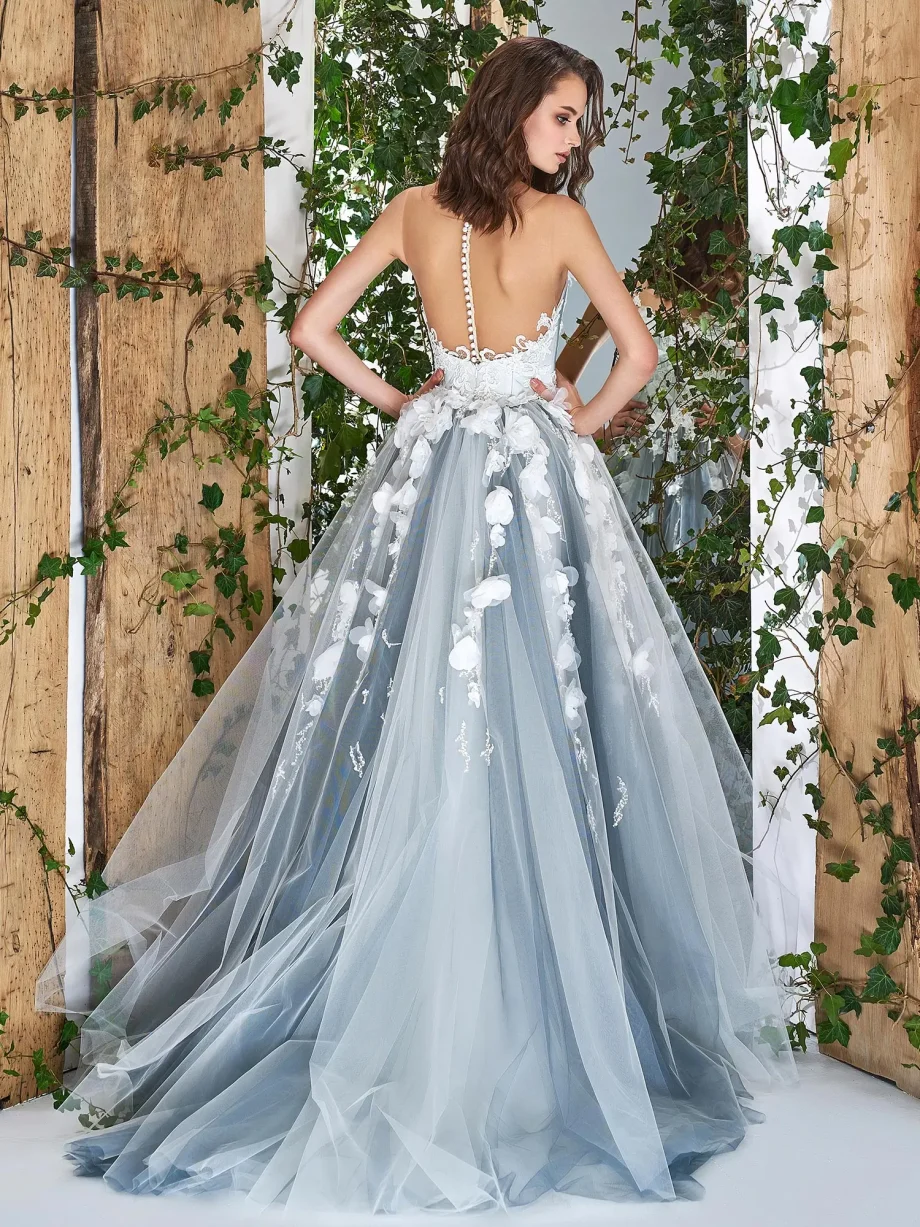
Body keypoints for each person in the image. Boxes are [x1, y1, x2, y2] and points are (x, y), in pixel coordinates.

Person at [36, 36, 797, 1215]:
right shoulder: (556, 228)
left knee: (422, 707)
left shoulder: (412, 214)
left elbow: (309, 330)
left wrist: (404, 399)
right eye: (561, 118)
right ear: (514, 115)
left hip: (433, 471)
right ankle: (524, 993)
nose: (574, 139)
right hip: (532, 484)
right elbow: (634, 353)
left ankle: (421, 964)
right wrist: (581, 419)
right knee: (544, 710)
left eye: (579, 121)